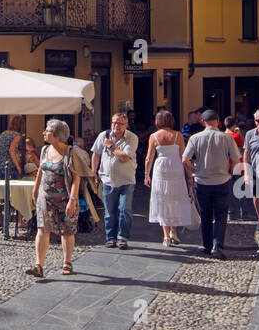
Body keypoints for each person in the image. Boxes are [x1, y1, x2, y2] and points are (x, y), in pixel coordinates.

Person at [25, 119, 83, 278]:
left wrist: (72, 199)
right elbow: (41, 171)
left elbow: (76, 178)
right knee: (42, 228)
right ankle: (39, 265)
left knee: (66, 230)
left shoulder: (71, 152)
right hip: (45, 196)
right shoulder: (44, 150)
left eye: (47, 130)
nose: (44, 133)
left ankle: (67, 262)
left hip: (65, 198)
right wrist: (36, 189)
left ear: (57, 135)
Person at [183, 109, 239, 259]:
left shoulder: (195, 138)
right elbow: (236, 159)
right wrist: (231, 171)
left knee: (205, 214)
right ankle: (217, 245)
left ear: (203, 121)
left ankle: (207, 245)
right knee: (221, 214)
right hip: (221, 180)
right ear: (218, 121)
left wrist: (192, 168)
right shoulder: (226, 138)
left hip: (202, 181)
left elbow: (185, 159)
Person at [144, 110, 198, 246]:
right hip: (176, 167)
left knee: (162, 198)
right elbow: (183, 156)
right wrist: (189, 175)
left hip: (161, 167)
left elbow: (148, 158)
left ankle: (166, 236)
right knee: (176, 198)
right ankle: (174, 231)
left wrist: (146, 174)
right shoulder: (178, 135)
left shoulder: (154, 136)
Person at [91, 112, 138, 249]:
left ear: (126, 125)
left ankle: (123, 237)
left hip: (126, 179)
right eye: (114, 122)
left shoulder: (131, 138)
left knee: (125, 209)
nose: (116, 126)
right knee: (109, 211)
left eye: (119, 123)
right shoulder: (103, 136)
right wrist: (94, 173)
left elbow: (124, 157)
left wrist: (111, 146)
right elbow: (96, 154)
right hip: (107, 178)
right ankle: (110, 237)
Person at [0, 115, 27, 227]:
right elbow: (12, 150)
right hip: (9, 166)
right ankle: (20, 221)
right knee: (17, 192)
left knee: (0, 192)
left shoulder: (3, 134)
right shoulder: (17, 135)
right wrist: (17, 166)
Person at [222, 115, 250, 220]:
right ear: (234, 125)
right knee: (241, 191)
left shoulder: (222, 136)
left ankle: (231, 213)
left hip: (225, 166)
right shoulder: (236, 136)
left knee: (229, 192)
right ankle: (244, 213)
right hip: (238, 166)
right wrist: (239, 134)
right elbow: (244, 147)